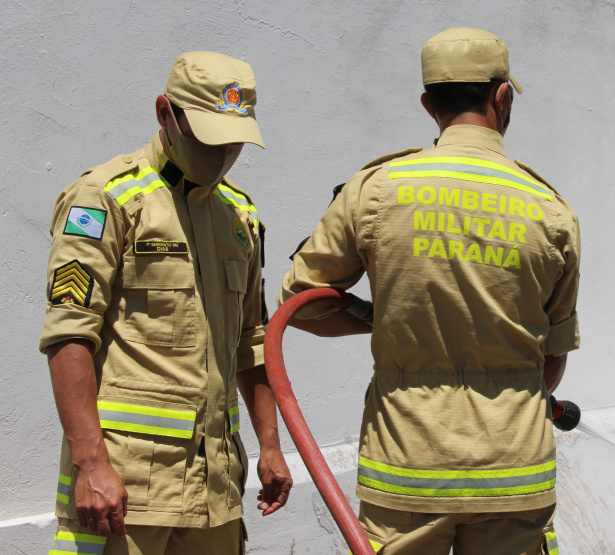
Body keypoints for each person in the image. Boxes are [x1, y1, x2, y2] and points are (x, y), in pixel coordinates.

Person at [278, 28, 580, 554]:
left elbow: (302, 304)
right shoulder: (551, 210)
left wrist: (381, 317)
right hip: (515, 472)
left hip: (406, 467)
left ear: (427, 104)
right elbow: (551, 359)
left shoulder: (376, 189)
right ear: (501, 96)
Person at [40, 51, 292, 555]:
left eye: (234, 143)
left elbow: (253, 341)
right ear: (165, 114)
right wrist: (91, 465)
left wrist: (269, 445)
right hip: (126, 491)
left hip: (217, 489)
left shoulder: (239, 217)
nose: (221, 157)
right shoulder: (105, 200)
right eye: (206, 139)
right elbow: (69, 334)